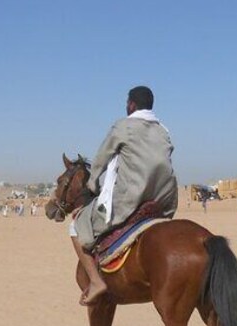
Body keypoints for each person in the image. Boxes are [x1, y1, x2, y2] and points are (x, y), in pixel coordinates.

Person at [70, 86, 178, 306]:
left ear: (131, 105)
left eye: (126, 103)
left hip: (131, 199)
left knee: (75, 228)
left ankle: (96, 281)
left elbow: (101, 158)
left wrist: (92, 184)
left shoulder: (123, 126)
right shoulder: (164, 130)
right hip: (164, 201)